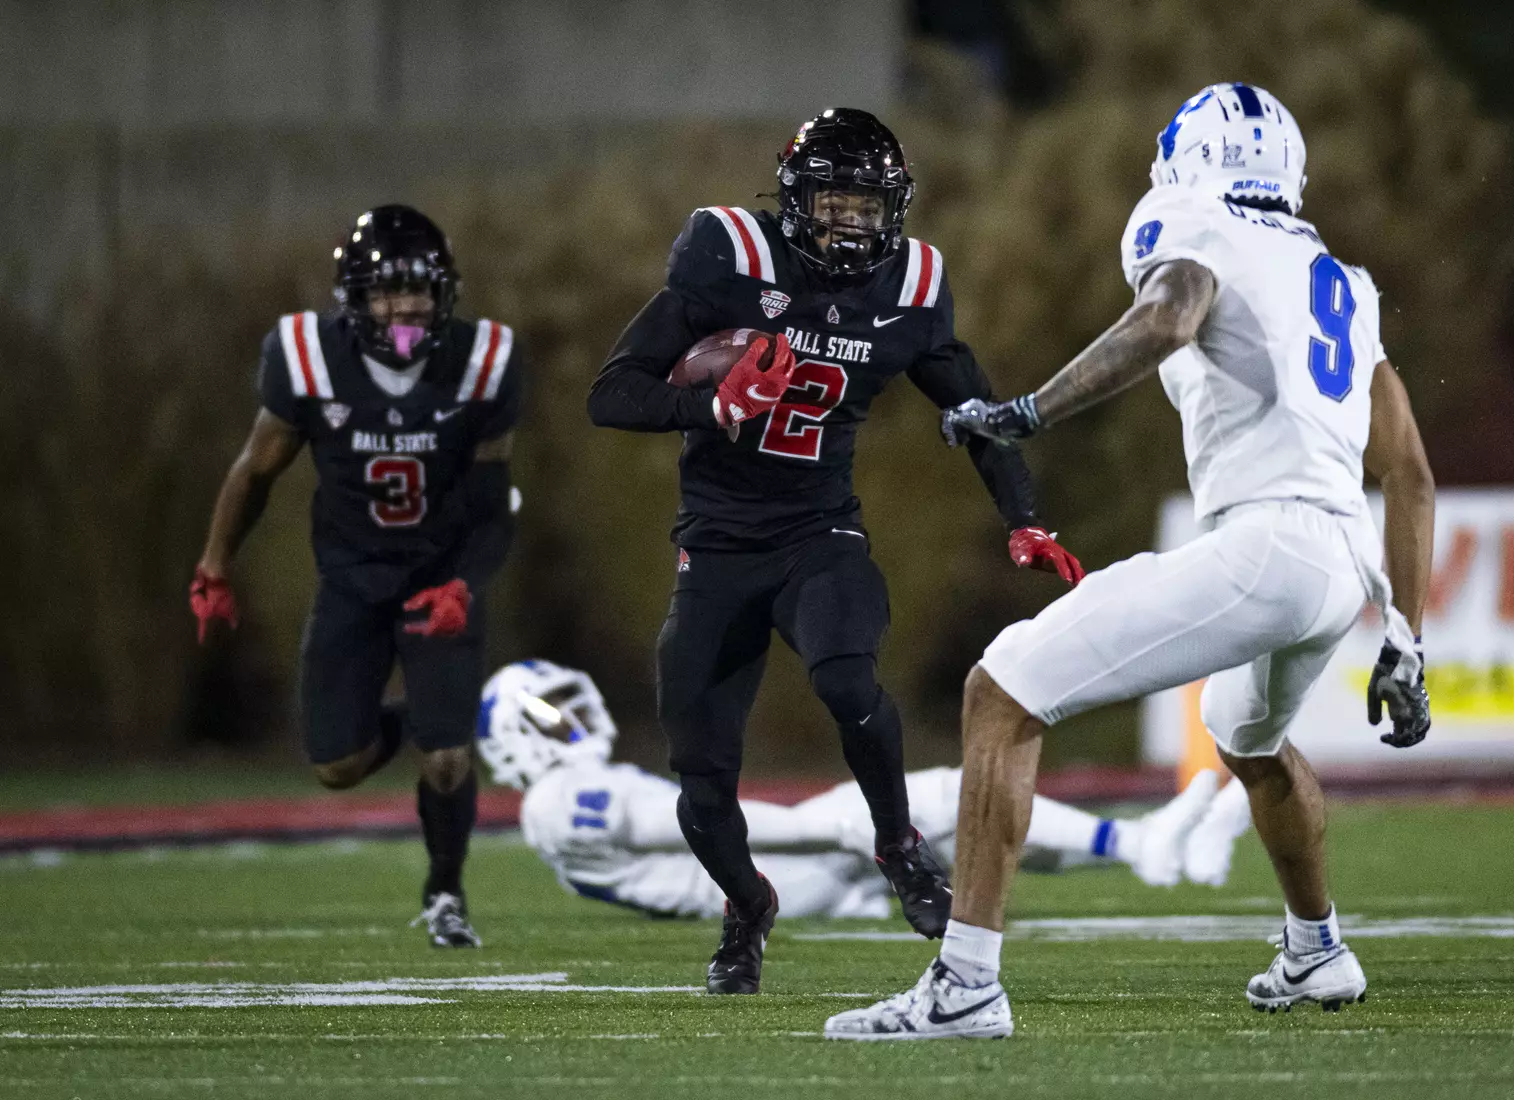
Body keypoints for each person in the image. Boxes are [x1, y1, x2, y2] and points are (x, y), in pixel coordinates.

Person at [826, 82, 1436, 1040]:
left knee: (1002, 689)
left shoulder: (1188, 218)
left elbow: (1172, 314)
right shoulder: (1338, 277)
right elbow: (1407, 471)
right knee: (1248, 736)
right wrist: (1406, 634)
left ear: (1190, 159)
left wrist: (1028, 409)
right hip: (1339, 565)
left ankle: (967, 985)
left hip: (1266, 544)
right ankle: (1317, 951)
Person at [588, 108, 1083, 993]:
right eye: (835, 202)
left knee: (848, 676)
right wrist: (710, 407)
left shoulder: (913, 284)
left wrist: (1024, 517)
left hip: (820, 529)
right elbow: (612, 392)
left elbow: (975, 413)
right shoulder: (728, 257)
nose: (852, 222)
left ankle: (898, 845)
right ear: (794, 197)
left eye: (867, 205)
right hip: (716, 541)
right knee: (701, 782)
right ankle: (746, 908)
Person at [190, 205, 525, 948]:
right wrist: (214, 564)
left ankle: (445, 890)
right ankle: (440, 717)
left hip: (439, 580)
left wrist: (464, 584)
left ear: (447, 295)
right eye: (386, 292)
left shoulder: (483, 361)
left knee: (444, 760)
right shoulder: (306, 357)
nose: (405, 308)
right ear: (353, 297)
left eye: (419, 292)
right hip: (352, 577)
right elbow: (255, 471)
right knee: (336, 766)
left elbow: (494, 503)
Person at [477, 661, 1253, 919]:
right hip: (776, 873)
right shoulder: (555, 803)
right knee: (946, 795)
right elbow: (688, 823)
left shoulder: (567, 796)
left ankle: (1143, 843)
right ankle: (1139, 840)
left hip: (775, 882)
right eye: (548, 717)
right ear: (509, 738)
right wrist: (839, 832)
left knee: (959, 828)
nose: (571, 724)